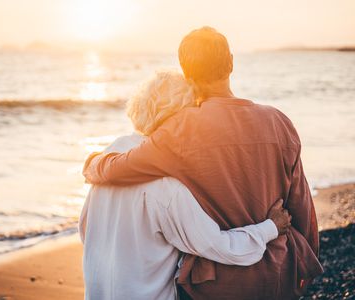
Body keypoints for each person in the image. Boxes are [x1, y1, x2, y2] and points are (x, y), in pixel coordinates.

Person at [83, 27, 323, 299]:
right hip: (279, 271)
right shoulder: (279, 122)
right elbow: (301, 203)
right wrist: (305, 261)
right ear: (231, 62)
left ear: (186, 73)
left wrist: (92, 164)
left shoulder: (179, 131)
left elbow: (120, 169)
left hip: (213, 282)